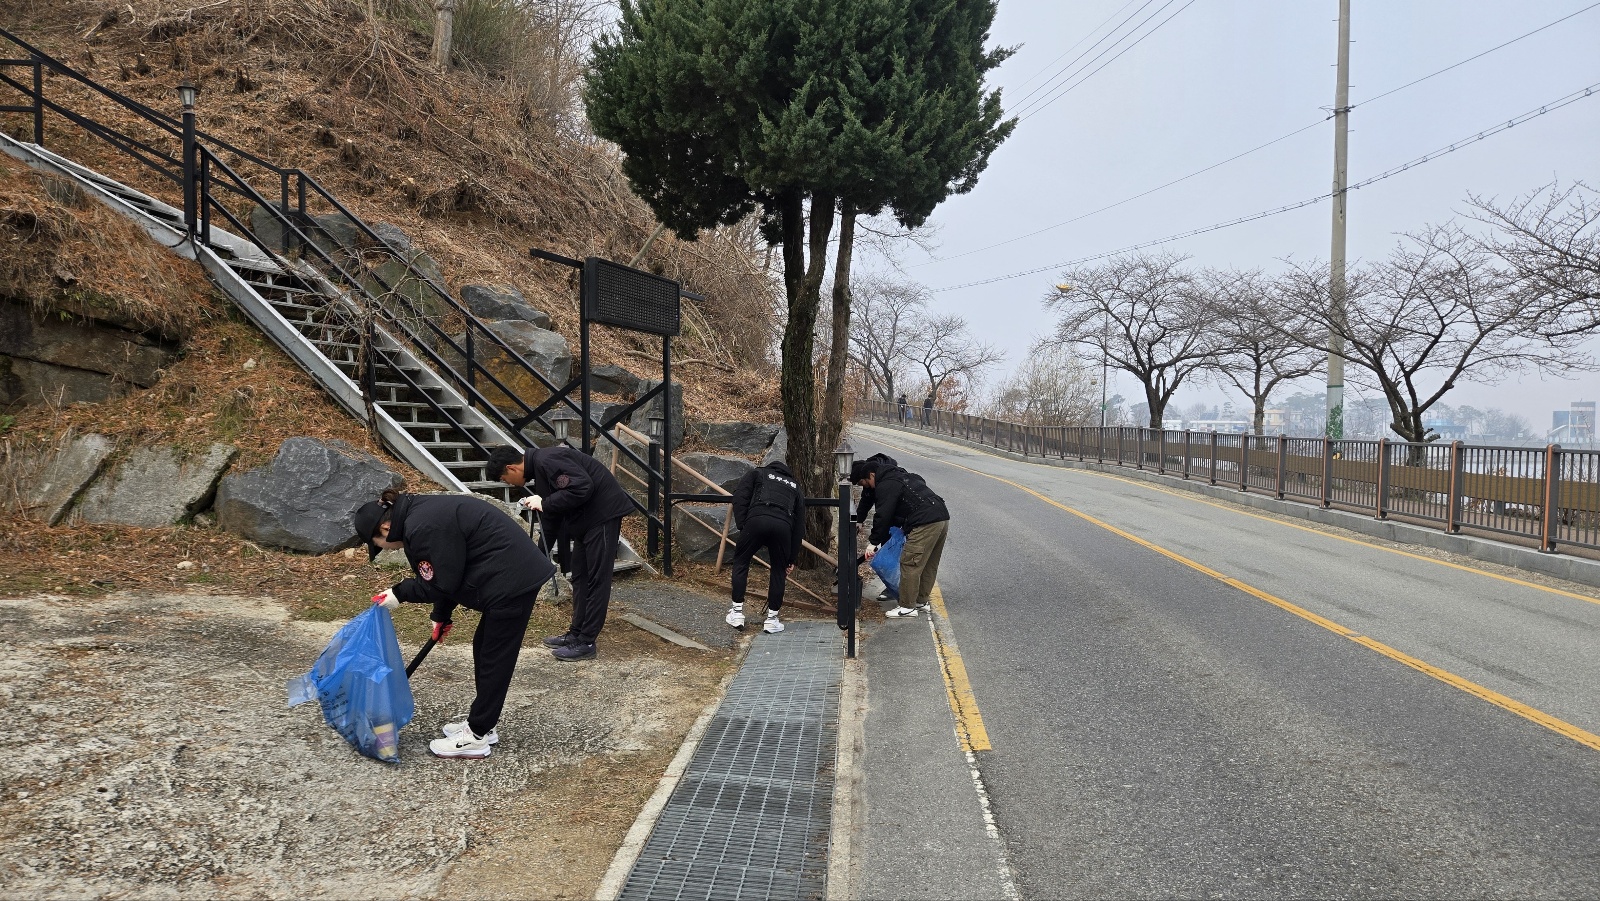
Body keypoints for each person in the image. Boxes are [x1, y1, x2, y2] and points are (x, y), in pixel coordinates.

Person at [356, 488, 555, 759]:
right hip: (507, 575)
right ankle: (482, 725)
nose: (386, 549)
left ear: (386, 528)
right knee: (484, 649)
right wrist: (441, 616)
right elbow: (447, 571)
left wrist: (399, 593)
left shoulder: (422, 526)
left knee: (494, 658)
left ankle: (477, 735)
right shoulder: (418, 516)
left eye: (379, 545)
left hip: (512, 580)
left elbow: (440, 582)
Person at [486, 443, 635, 661]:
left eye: (504, 479)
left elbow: (582, 487)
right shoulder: (541, 468)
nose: (507, 483)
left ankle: (586, 642)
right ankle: (576, 633)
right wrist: (538, 556)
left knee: (596, 579)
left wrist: (545, 502)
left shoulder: (548, 460)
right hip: (586, 522)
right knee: (580, 577)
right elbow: (551, 517)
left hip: (602, 516)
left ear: (511, 468)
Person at [853, 459, 949, 618]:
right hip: (942, 517)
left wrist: (874, 542)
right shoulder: (901, 476)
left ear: (872, 475)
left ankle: (907, 606)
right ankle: (920, 601)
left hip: (924, 521)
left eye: (866, 482)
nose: (868, 487)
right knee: (928, 563)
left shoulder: (886, 485)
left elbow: (883, 515)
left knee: (910, 563)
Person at [724, 459, 806, 634]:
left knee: (741, 562)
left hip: (757, 520)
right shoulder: (795, 487)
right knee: (778, 572)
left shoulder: (758, 473)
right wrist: (791, 558)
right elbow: (800, 525)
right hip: (783, 527)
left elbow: (740, 497)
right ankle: (772, 619)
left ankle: (737, 613)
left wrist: (743, 524)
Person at [850, 453, 898, 602]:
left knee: (894, 552)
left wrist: (874, 541)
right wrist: (859, 520)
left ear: (868, 476)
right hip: (888, 518)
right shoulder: (872, 479)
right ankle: (893, 585)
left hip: (897, 519)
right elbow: (866, 500)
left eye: (861, 483)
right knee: (887, 550)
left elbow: (883, 513)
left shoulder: (886, 478)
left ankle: (895, 588)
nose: (863, 486)